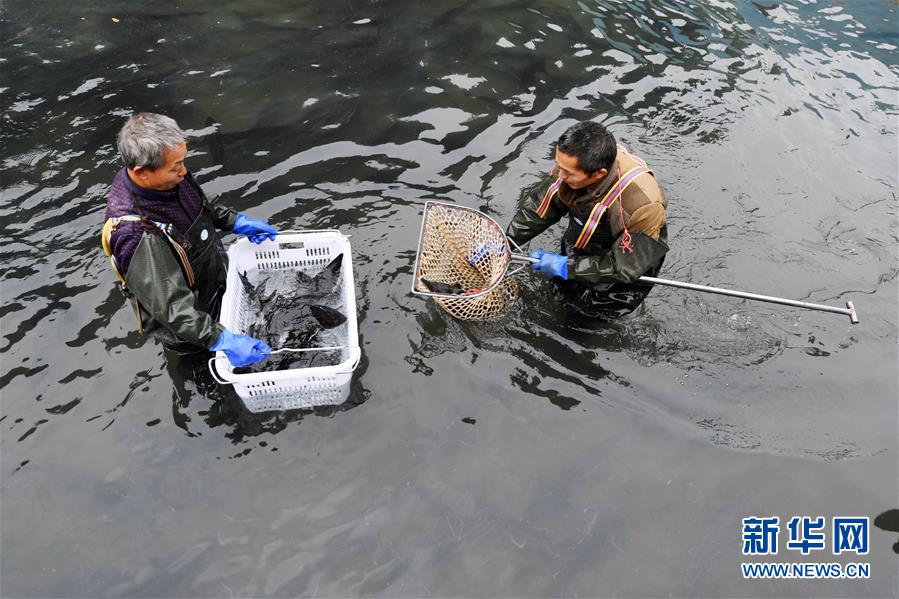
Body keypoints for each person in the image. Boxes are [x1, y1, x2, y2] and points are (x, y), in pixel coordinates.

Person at [101, 112, 275, 366]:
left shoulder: (167, 176)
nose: (184, 171)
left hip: (212, 284)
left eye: (183, 161)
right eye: (176, 167)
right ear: (142, 172)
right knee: (204, 368)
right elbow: (173, 309)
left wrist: (232, 221)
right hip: (188, 323)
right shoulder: (134, 233)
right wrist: (218, 339)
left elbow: (199, 203)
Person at [505, 121, 669, 319]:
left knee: (586, 317)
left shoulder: (642, 206)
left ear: (598, 174)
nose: (559, 174)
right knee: (562, 291)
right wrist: (505, 243)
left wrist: (567, 267)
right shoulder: (569, 166)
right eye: (559, 165)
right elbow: (539, 210)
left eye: (567, 172)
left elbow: (624, 268)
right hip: (588, 229)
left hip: (628, 255)